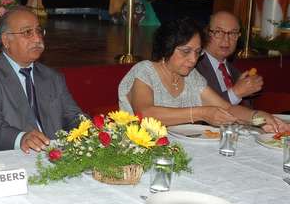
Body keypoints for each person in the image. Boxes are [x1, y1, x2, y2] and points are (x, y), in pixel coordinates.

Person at [118, 16, 287, 132]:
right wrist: (201, 113)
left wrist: (258, 117)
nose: (193, 60)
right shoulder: (145, 71)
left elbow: (227, 108)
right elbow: (145, 114)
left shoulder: (191, 77)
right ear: (166, 48)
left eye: (197, 52)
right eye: (186, 51)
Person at [0, 6, 85, 153]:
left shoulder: (52, 77)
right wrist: (21, 139)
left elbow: (74, 117)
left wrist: (92, 131)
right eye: (27, 32)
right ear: (6, 40)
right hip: (8, 161)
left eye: (39, 31)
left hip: (55, 158)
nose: (37, 39)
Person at [196, 11, 262, 106]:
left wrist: (250, 88)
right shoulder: (194, 68)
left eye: (233, 33)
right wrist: (236, 93)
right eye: (218, 32)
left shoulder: (236, 72)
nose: (226, 40)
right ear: (206, 34)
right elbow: (199, 108)